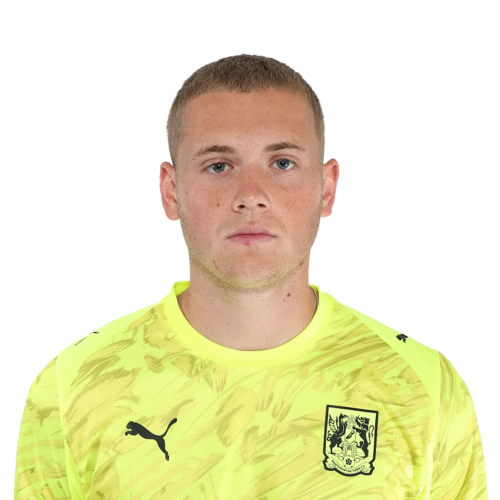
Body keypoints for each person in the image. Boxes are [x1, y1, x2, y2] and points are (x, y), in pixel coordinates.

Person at [14, 54, 488, 498]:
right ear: (171, 191)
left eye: (281, 163)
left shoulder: (425, 386)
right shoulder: (72, 385)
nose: (250, 195)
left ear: (327, 188)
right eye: (219, 166)